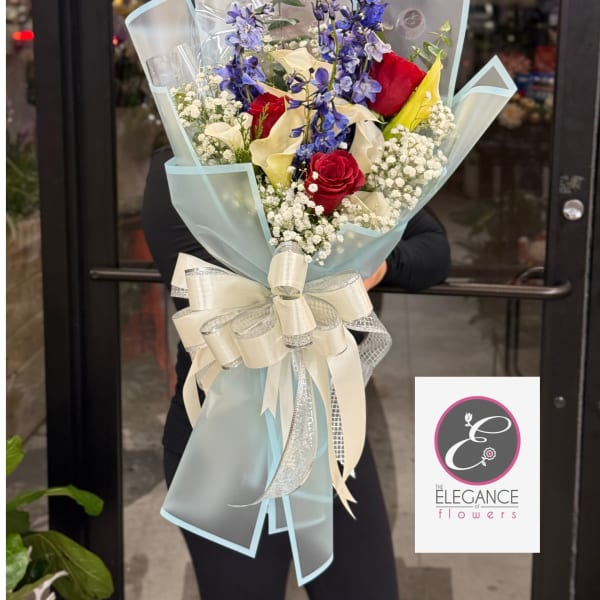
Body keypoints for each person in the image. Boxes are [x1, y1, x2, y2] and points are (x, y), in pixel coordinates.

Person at [142, 146, 451, 600]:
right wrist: (336, 267)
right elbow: (218, 286)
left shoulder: (343, 154)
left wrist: (381, 263)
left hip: (330, 440)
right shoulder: (181, 164)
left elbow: (435, 250)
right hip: (222, 442)